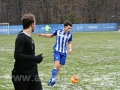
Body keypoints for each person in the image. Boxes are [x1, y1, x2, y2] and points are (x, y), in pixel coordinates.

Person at [12, 13, 44, 90]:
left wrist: (35, 60)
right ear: (32, 24)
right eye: (35, 23)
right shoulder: (21, 37)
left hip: (32, 73)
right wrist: (35, 58)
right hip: (22, 75)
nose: (35, 25)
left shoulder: (28, 37)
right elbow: (17, 55)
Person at [38, 22, 72, 86]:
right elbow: (51, 35)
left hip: (64, 52)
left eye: (70, 28)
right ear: (65, 27)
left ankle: (52, 78)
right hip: (57, 51)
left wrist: (70, 48)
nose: (69, 29)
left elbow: (69, 42)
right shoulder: (58, 31)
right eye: (68, 28)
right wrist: (43, 35)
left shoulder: (70, 34)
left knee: (59, 68)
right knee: (56, 65)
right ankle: (53, 79)